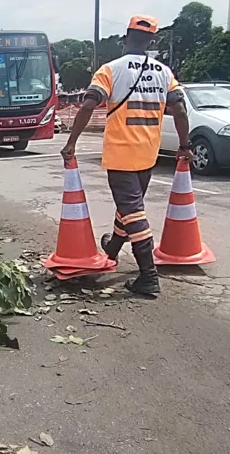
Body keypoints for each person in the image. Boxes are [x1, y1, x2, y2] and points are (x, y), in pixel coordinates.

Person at [59, 15, 190, 297]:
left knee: (133, 211)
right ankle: (113, 248)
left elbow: (87, 105)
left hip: (121, 154)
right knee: (129, 206)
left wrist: (71, 143)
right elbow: (180, 110)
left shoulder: (110, 70)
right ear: (151, 41)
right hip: (148, 153)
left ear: (124, 39)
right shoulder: (165, 73)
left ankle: (148, 276)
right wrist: (185, 145)